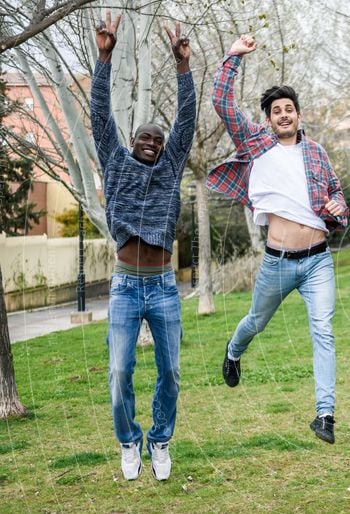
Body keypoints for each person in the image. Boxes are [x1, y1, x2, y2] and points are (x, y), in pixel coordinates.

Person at [207, 35, 349, 444]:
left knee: (323, 331)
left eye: (289, 109)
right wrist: (233, 57)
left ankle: (325, 415)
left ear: (299, 115)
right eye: (276, 111)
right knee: (256, 320)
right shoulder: (255, 143)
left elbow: (336, 191)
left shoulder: (317, 152)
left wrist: (337, 206)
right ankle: (234, 352)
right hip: (278, 261)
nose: (284, 115)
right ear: (268, 119)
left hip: (319, 259)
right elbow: (222, 104)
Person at [91, 12, 196, 480]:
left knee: (171, 373)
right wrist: (104, 59)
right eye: (144, 137)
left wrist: (182, 68)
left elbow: (188, 121)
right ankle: (129, 441)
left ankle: (160, 440)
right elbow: (98, 115)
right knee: (119, 373)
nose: (152, 142)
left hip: (163, 287)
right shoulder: (115, 160)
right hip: (125, 286)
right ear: (132, 142)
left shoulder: (171, 166)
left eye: (158, 138)